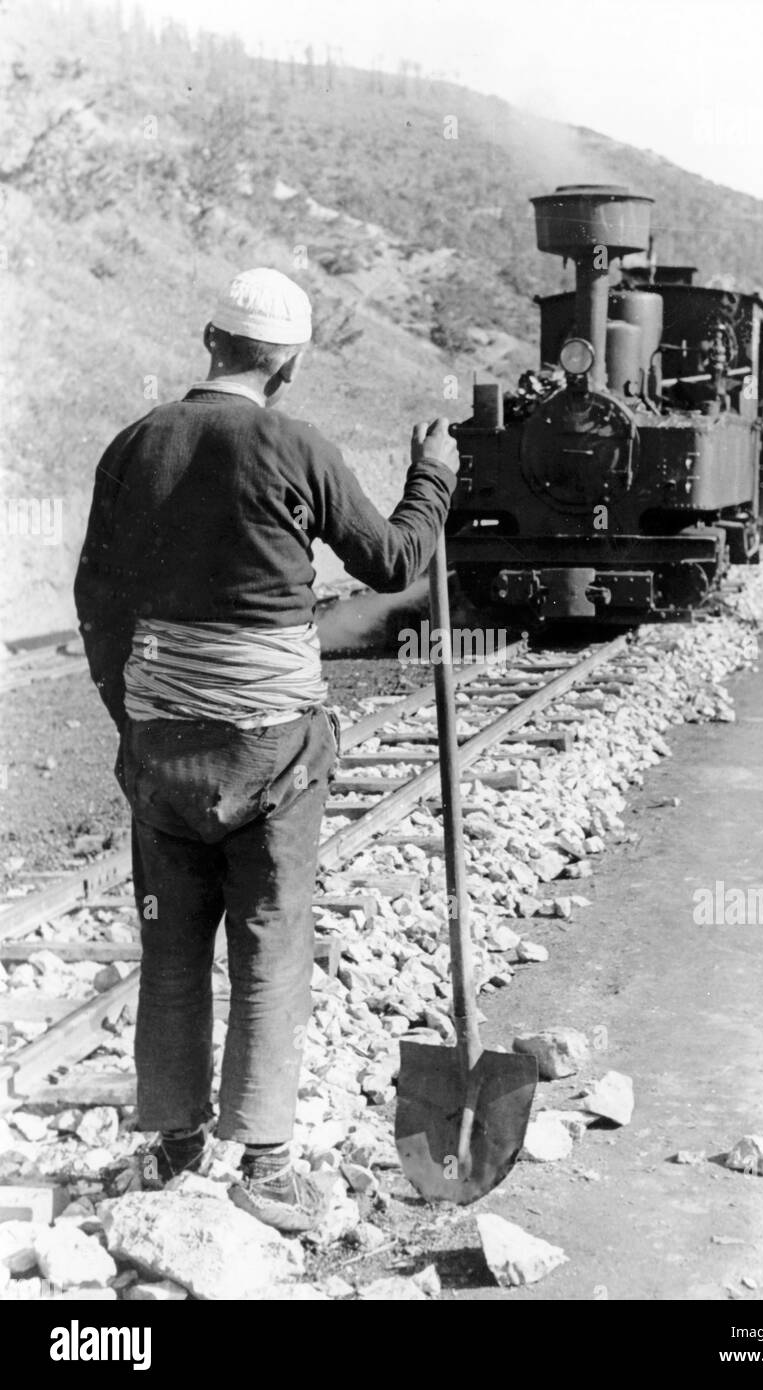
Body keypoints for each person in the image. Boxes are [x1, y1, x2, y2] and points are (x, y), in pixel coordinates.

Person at [74, 267, 459, 1230]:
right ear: (288, 364)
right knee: (270, 936)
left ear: (210, 338)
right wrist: (434, 478)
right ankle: (269, 1161)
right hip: (275, 751)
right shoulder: (299, 447)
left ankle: (171, 1144)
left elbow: (96, 600)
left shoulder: (134, 446)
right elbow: (396, 563)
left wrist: (139, 718)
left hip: (163, 749)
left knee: (170, 940)